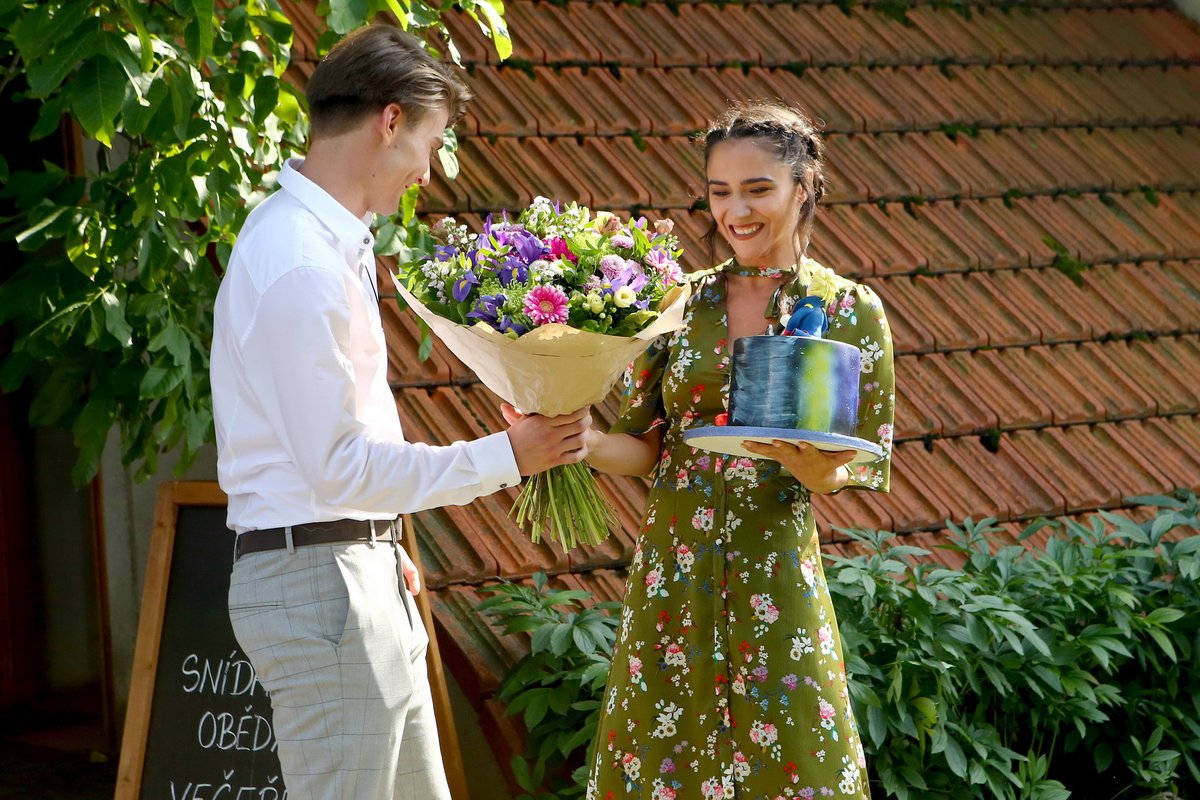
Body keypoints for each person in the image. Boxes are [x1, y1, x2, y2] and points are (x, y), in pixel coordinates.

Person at [210, 25, 590, 800]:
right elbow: (338, 465)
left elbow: (339, 455)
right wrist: (507, 456)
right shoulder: (299, 262)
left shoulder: (323, 243)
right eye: (431, 140)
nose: (426, 171)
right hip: (324, 583)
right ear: (390, 122)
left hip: (347, 569)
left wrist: (376, 545)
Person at [581, 102, 893, 799]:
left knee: (797, 767)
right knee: (663, 763)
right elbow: (646, 450)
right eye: (720, 192)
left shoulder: (851, 310)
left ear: (802, 188)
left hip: (776, 576)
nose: (736, 211)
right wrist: (586, 441)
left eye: (757, 189)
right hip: (672, 578)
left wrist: (817, 470)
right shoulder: (678, 304)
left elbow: (867, 456)